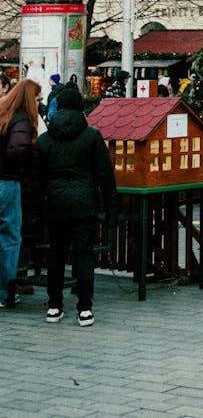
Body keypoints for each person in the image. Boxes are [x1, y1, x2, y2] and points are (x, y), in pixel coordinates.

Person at [31, 83, 118, 327]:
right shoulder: (92, 136)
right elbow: (105, 177)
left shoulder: (46, 140)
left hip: (56, 205)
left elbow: (37, 183)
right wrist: (112, 212)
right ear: (80, 109)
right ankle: (85, 309)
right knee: (83, 256)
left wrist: (36, 216)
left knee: (56, 255)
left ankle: (54, 306)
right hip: (84, 205)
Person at [0, 78, 40, 308]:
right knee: (10, 238)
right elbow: (18, 147)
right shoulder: (21, 118)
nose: (39, 102)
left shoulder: (3, 113)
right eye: (37, 98)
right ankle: (5, 292)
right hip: (7, 183)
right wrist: (26, 167)